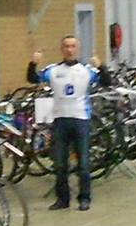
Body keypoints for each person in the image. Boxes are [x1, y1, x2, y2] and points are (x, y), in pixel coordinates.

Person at [37, 34, 98, 211]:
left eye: (72, 46)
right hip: (60, 120)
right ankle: (63, 200)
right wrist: (34, 63)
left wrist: (101, 66)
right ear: (62, 49)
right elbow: (34, 78)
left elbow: (107, 81)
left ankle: (84, 198)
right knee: (60, 163)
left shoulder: (86, 70)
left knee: (84, 163)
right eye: (66, 46)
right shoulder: (53, 70)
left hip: (81, 120)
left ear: (77, 49)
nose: (69, 50)